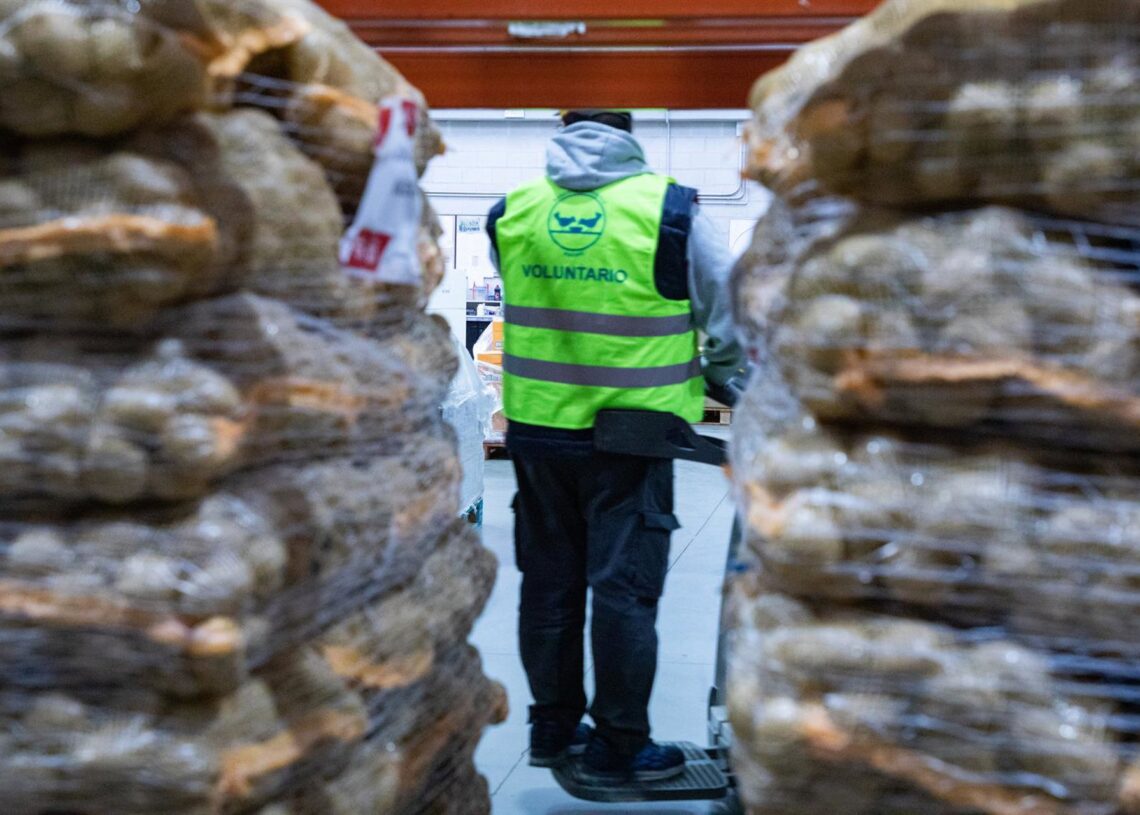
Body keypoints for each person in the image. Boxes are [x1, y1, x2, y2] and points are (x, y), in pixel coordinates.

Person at [485, 109, 746, 784]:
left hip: (540, 430)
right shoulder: (672, 210)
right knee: (624, 589)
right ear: (629, 135)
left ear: (564, 129)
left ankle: (551, 726)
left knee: (548, 582)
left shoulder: (511, 211)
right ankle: (622, 743)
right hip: (632, 435)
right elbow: (727, 312)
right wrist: (726, 376)